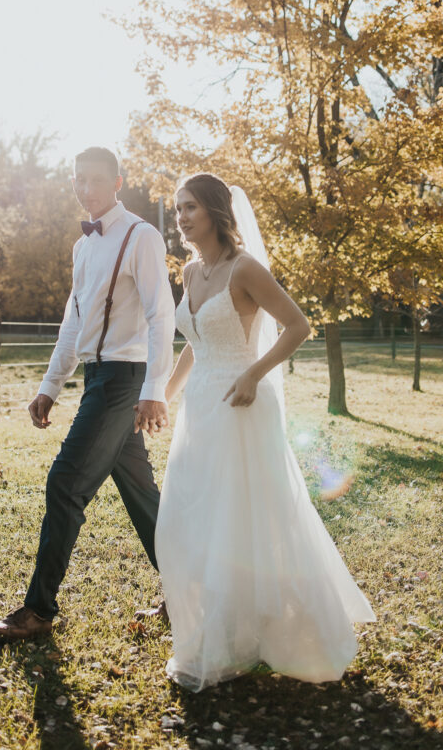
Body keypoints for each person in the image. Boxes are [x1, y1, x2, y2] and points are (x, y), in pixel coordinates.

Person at [155, 173, 375, 691]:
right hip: (200, 407)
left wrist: (253, 373)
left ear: (214, 211)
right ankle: (222, 631)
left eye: (190, 207)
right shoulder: (190, 271)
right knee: (195, 517)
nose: (182, 217)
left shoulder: (245, 268)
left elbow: (299, 326)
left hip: (242, 404)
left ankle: (276, 632)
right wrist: (163, 394)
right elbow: (197, 341)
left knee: (243, 517)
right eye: (178, 208)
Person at [0, 147, 175, 643]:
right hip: (96, 377)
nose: (86, 188)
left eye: (96, 179)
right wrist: (50, 385)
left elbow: (161, 315)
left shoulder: (142, 235)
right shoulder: (82, 246)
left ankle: (38, 612)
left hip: (124, 381)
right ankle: (188, 591)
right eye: (78, 178)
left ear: (118, 182)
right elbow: (73, 321)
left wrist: (154, 388)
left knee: (66, 483)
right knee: (142, 497)